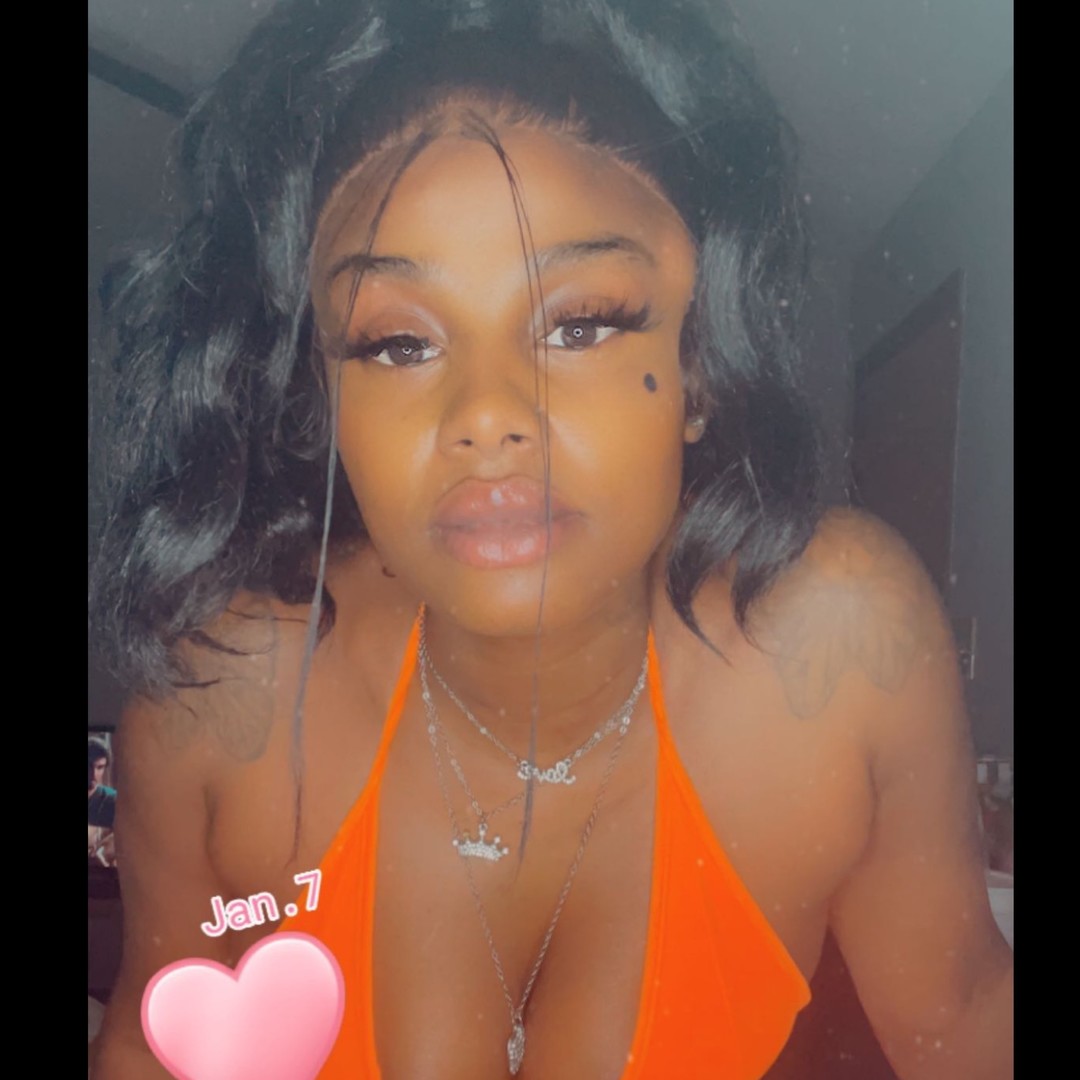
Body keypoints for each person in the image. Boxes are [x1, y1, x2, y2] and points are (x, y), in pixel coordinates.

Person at [89, 1, 1013, 1077]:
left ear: (701, 366)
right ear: (325, 402)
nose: (488, 414)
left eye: (579, 324)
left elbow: (966, 1018)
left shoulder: (836, 654)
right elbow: (152, 1044)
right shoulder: (219, 705)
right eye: (396, 342)